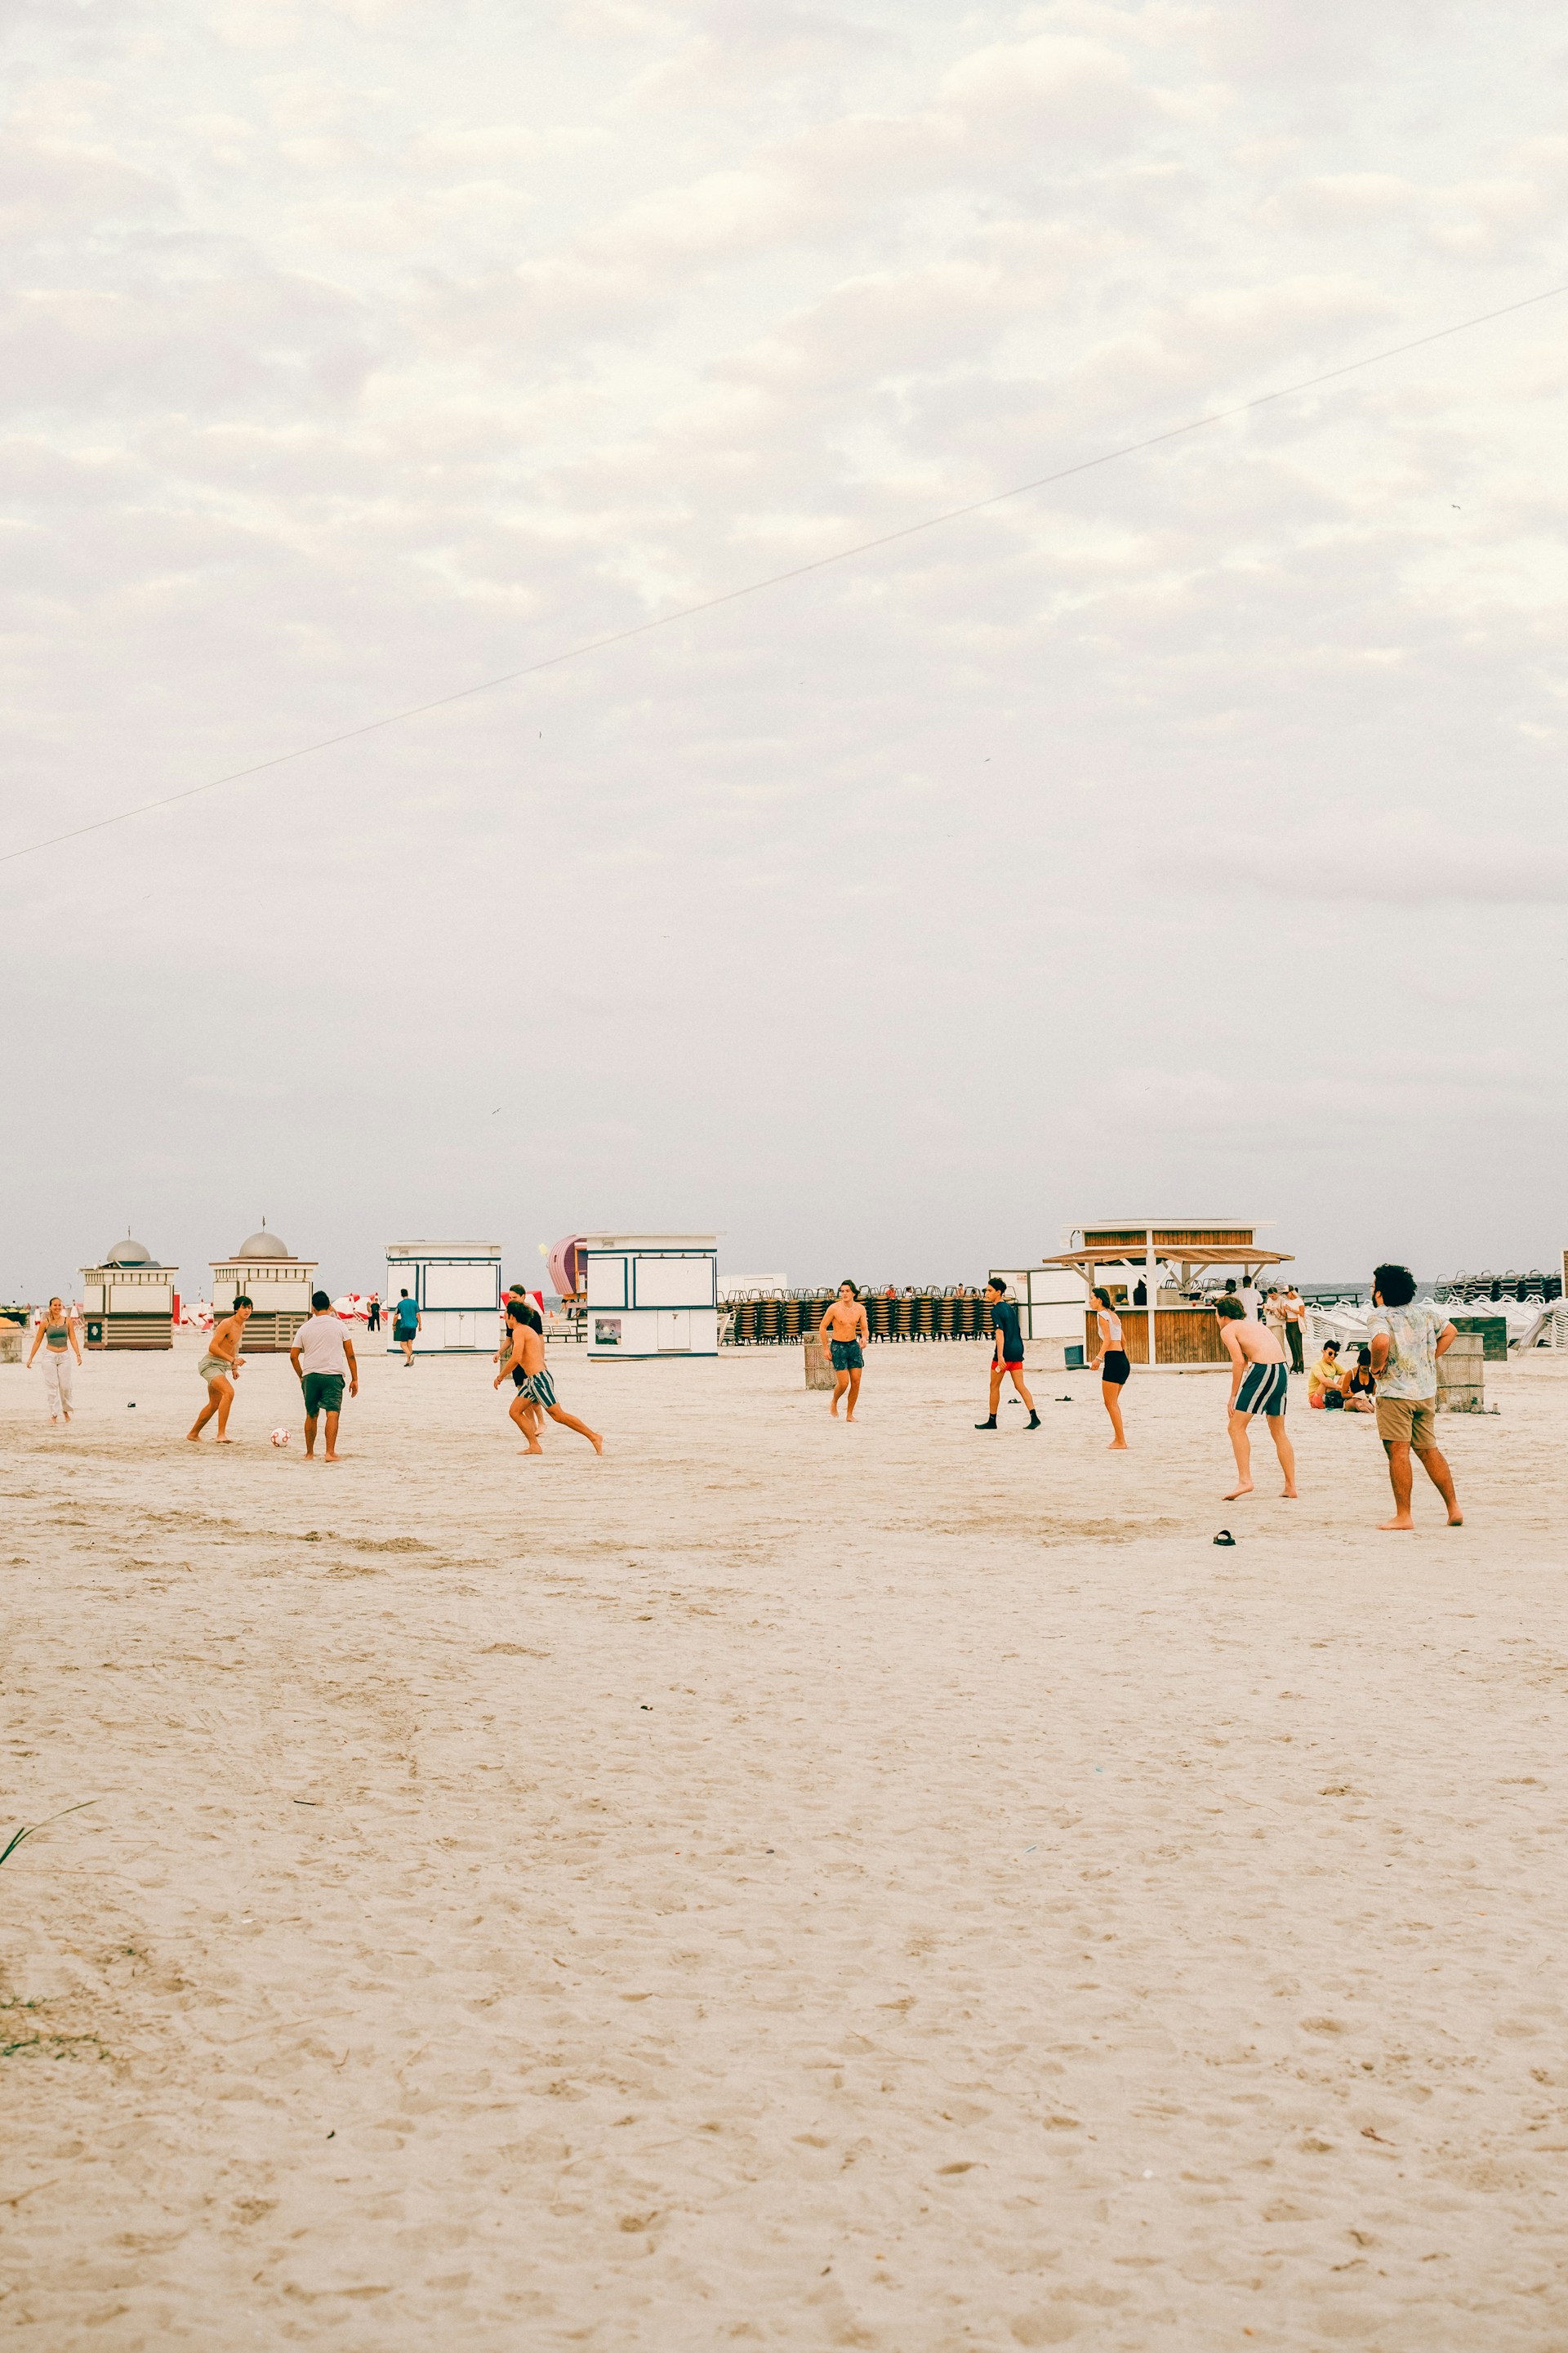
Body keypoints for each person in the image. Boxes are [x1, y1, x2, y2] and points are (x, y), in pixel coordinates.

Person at [1366, 1263, 1462, 1530]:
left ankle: (1404, 1515)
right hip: (1425, 1393)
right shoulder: (1425, 1314)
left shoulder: (1380, 1316)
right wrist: (1429, 1357)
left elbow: (1381, 1342)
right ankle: (1454, 1508)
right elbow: (1451, 1331)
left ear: (1381, 1293)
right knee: (1429, 1451)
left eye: (1374, 1286)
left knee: (1397, 1452)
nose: (1373, 1290)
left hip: (1395, 1394)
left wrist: (1376, 1368)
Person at [495, 1297, 603, 1455]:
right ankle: (534, 1446)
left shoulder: (520, 1331)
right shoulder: (524, 1330)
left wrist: (500, 1377)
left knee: (558, 1415)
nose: (505, 1317)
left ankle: (594, 1436)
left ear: (512, 1316)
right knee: (515, 1411)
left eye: (506, 1314)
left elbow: (516, 1358)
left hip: (539, 1379)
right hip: (532, 1380)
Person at [1217, 1294, 1298, 1500]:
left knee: (1235, 1427)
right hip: (1281, 1370)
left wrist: (1233, 1395)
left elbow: (1238, 1362)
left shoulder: (1228, 1329)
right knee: (1279, 1431)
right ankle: (1290, 1486)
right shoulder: (1256, 1325)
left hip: (1263, 1370)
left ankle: (1245, 1480)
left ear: (1222, 1315)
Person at [290, 1290, 359, 1463]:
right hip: (333, 1376)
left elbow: (293, 1356)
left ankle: (309, 1454)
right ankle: (330, 1453)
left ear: (313, 1308)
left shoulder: (304, 1328)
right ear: (329, 1306)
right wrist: (355, 1379)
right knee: (332, 1414)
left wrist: (301, 1376)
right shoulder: (339, 1325)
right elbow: (350, 1354)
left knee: (311, 1414)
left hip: (311, 1376)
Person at [975, 1278, 1039, 1430]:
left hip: (1005, 1353)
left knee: (994, 1386)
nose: (987, 1293)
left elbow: (1000, 1333)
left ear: (999, 1292)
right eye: (986, 1290)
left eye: (990, 1290)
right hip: (1017, 1350)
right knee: (1020, 1386)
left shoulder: (996, 1310)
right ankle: (1034, 1417)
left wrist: (1001, 1356)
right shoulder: (1010, 1308)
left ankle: (992, 1420)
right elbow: (1016, 1329)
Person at [188, 1297, 252, 1442]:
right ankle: (221, 1435)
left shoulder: (242, 1326)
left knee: (214, 1404)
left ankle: (193, 1434)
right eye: (244, 1307)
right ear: (236, 1309)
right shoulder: (227, 1324)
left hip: (222, 1367)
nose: (247, 1310)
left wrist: (234, 1367)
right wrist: (233, 1360)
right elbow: (212, 1347)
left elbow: (233, 1346)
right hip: (210, 1365)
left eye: (249, 1308)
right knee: (229, 1393)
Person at [26, 1295, 82, 1424]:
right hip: (49, 1356)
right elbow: (37, 1341)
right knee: (52, 1386)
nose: (57, 1307)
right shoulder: (45, 1322)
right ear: (50, 1307)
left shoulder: (67, 1321)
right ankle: (54, 1414)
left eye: (59, 1305)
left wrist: (78, 1354)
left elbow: (73, 1338)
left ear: (62, 1306)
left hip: (64, 1356)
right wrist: (30, 1358)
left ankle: (66, 1410)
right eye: (55, 1305)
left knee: (66, 1386)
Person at [1087, 1285, 1129, 1449]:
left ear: (1099, 1300)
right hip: (1122, 1360)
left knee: (1110, 1404)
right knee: (1113, 1403)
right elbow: (1123, 1341)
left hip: (1113, 1360)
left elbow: (1107, 1339)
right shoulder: (1114, 1315)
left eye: (1091, 1298)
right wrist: (1121, 1358)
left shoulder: (1102, 1315)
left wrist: (1098, 1358)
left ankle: (1120, 1441)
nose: (1090, 1301)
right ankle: (1119, 1439)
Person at [819, 1280, 869, 1419]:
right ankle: (834, 1401)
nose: (844, 1293)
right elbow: (822, 1327)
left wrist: (864, 1338)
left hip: (853, 1346)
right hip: (838, 1346)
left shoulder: (860, 1309)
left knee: (856, 1382)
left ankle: (849, 1414)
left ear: (853, 1293)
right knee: (844, 1383)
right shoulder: (834, 1308)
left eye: (847, 1291)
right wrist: (825, 1348)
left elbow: (865, 1329)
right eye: (842, 1291)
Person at [1307, 1339, 1345, 1407]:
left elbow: (1348, 1373)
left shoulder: (1333, 1364)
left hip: (1328, 1393)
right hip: (1315, 1397)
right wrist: (1340, 1387)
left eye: (1335, 1354)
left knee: (1344, 1376)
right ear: (1323, 1352)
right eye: (1330, 1353)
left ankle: (1336, 1397)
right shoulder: (1317, 1365)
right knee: (1328, 1380)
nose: (1332, 1356)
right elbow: (1324, 1382)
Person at [1341, 1345, 1377, 1415]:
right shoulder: (1351, 1373)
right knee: (1357, 1403)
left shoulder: (1373, 1374)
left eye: (1368, 1368)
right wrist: (1354, 1395)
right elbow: (1343, 1394)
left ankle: (1368, 1410)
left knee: (1369, 1406)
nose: (1366, 1371)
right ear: (1358, 1363)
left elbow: (1374, 1393)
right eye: (1364, 1369)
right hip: (1352, 1401)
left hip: (1366, 1400)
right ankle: (1366, 1410)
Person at [390, 1287, 421, 1366]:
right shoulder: (414, 1303)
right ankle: (409, 1361)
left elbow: (396, 1316)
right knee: (409, 1343)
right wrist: (420, 1325)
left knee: (403, 1344)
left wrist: (394, 1325)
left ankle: (411, 1355)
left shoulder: (400, 1304)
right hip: (413, 1325)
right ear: (408, 1294)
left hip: (405, 1326)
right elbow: (418, 1315)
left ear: (401, 1295)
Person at [1281, 1285, 1307, 1373]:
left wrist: (1291, 1309)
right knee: (1292, 1345)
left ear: (1291, 1292)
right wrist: (1279, 1310)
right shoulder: (1285, 1301)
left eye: (1287, 1293)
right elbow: (1285, 1315)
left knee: (1298, 1345)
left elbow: (1302, 1313)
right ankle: (1295, 1363)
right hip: (1288, 1324)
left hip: (1296, 1324)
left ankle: (1301, 1364)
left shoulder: (1299, 1301)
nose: (1286, 1295)